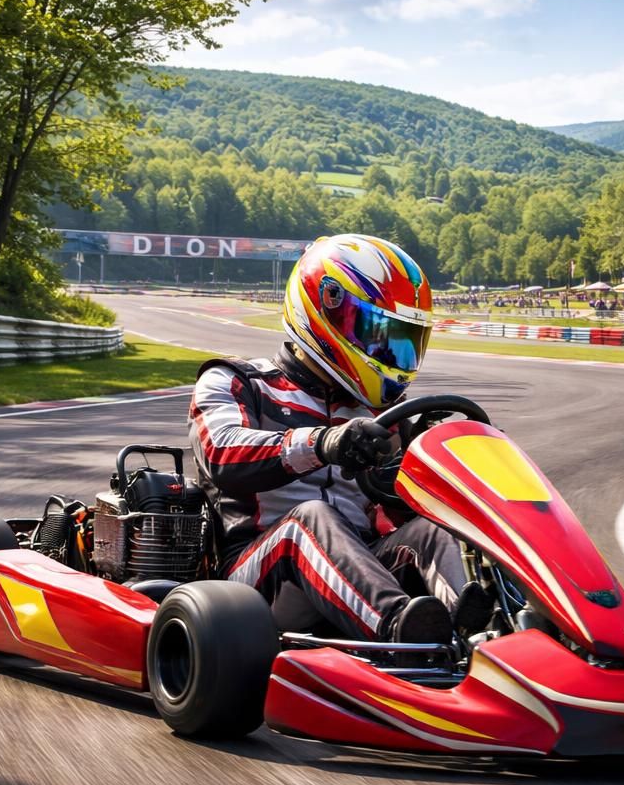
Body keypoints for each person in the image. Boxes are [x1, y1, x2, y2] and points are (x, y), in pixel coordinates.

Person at [187, 234, 492, 646]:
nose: (388, 351)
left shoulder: (383, 416)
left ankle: (480, 635)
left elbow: (399, 511)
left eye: (403, 340)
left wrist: (435, 464)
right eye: (378, 332)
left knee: (430, 530)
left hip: (360, 572)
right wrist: (322, 443)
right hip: (253, 584)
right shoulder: (236, 381)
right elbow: (220, 453)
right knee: (311, 517)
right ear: (325, 307)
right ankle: (401, 632)